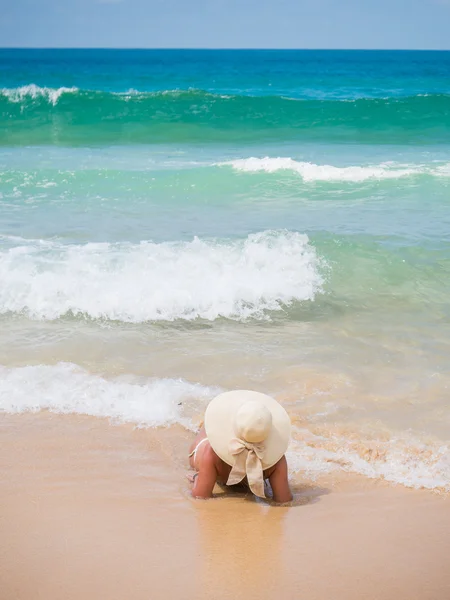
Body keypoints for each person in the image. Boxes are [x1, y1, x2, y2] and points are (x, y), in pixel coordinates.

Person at [188, 390, 293, 503]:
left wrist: (197, 478)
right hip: (204, 453)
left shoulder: (212, 452)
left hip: (203, 449)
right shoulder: (276, 458)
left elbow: (200, 496)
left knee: (206, 429)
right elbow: (284, 500)